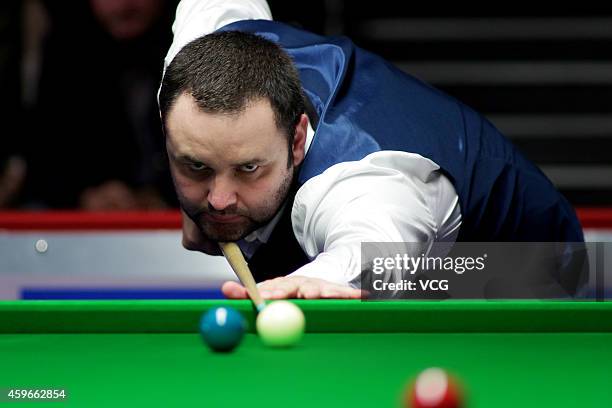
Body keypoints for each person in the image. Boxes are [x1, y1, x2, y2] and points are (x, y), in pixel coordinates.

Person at [158, 0, 585, 300]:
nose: (218, 197)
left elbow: (375, 251)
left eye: (249, 167)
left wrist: (318, 280)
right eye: (195, 165)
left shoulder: (365, 184)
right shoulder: (193, 66)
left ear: (297, 141)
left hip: (514, 268)